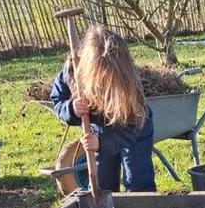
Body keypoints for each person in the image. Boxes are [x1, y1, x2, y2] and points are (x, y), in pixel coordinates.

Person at [50, 24, 156, 192]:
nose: (105, 83)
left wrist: (102, 143)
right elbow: (57, 99)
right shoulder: (72, 71)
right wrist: (71, 109)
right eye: (100, 78)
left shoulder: (129, 85)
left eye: (110, 78)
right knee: (102, 180)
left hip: (133, 129)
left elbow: (133, 128)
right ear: (88, 68)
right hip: (98, 128)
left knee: (137, 177)